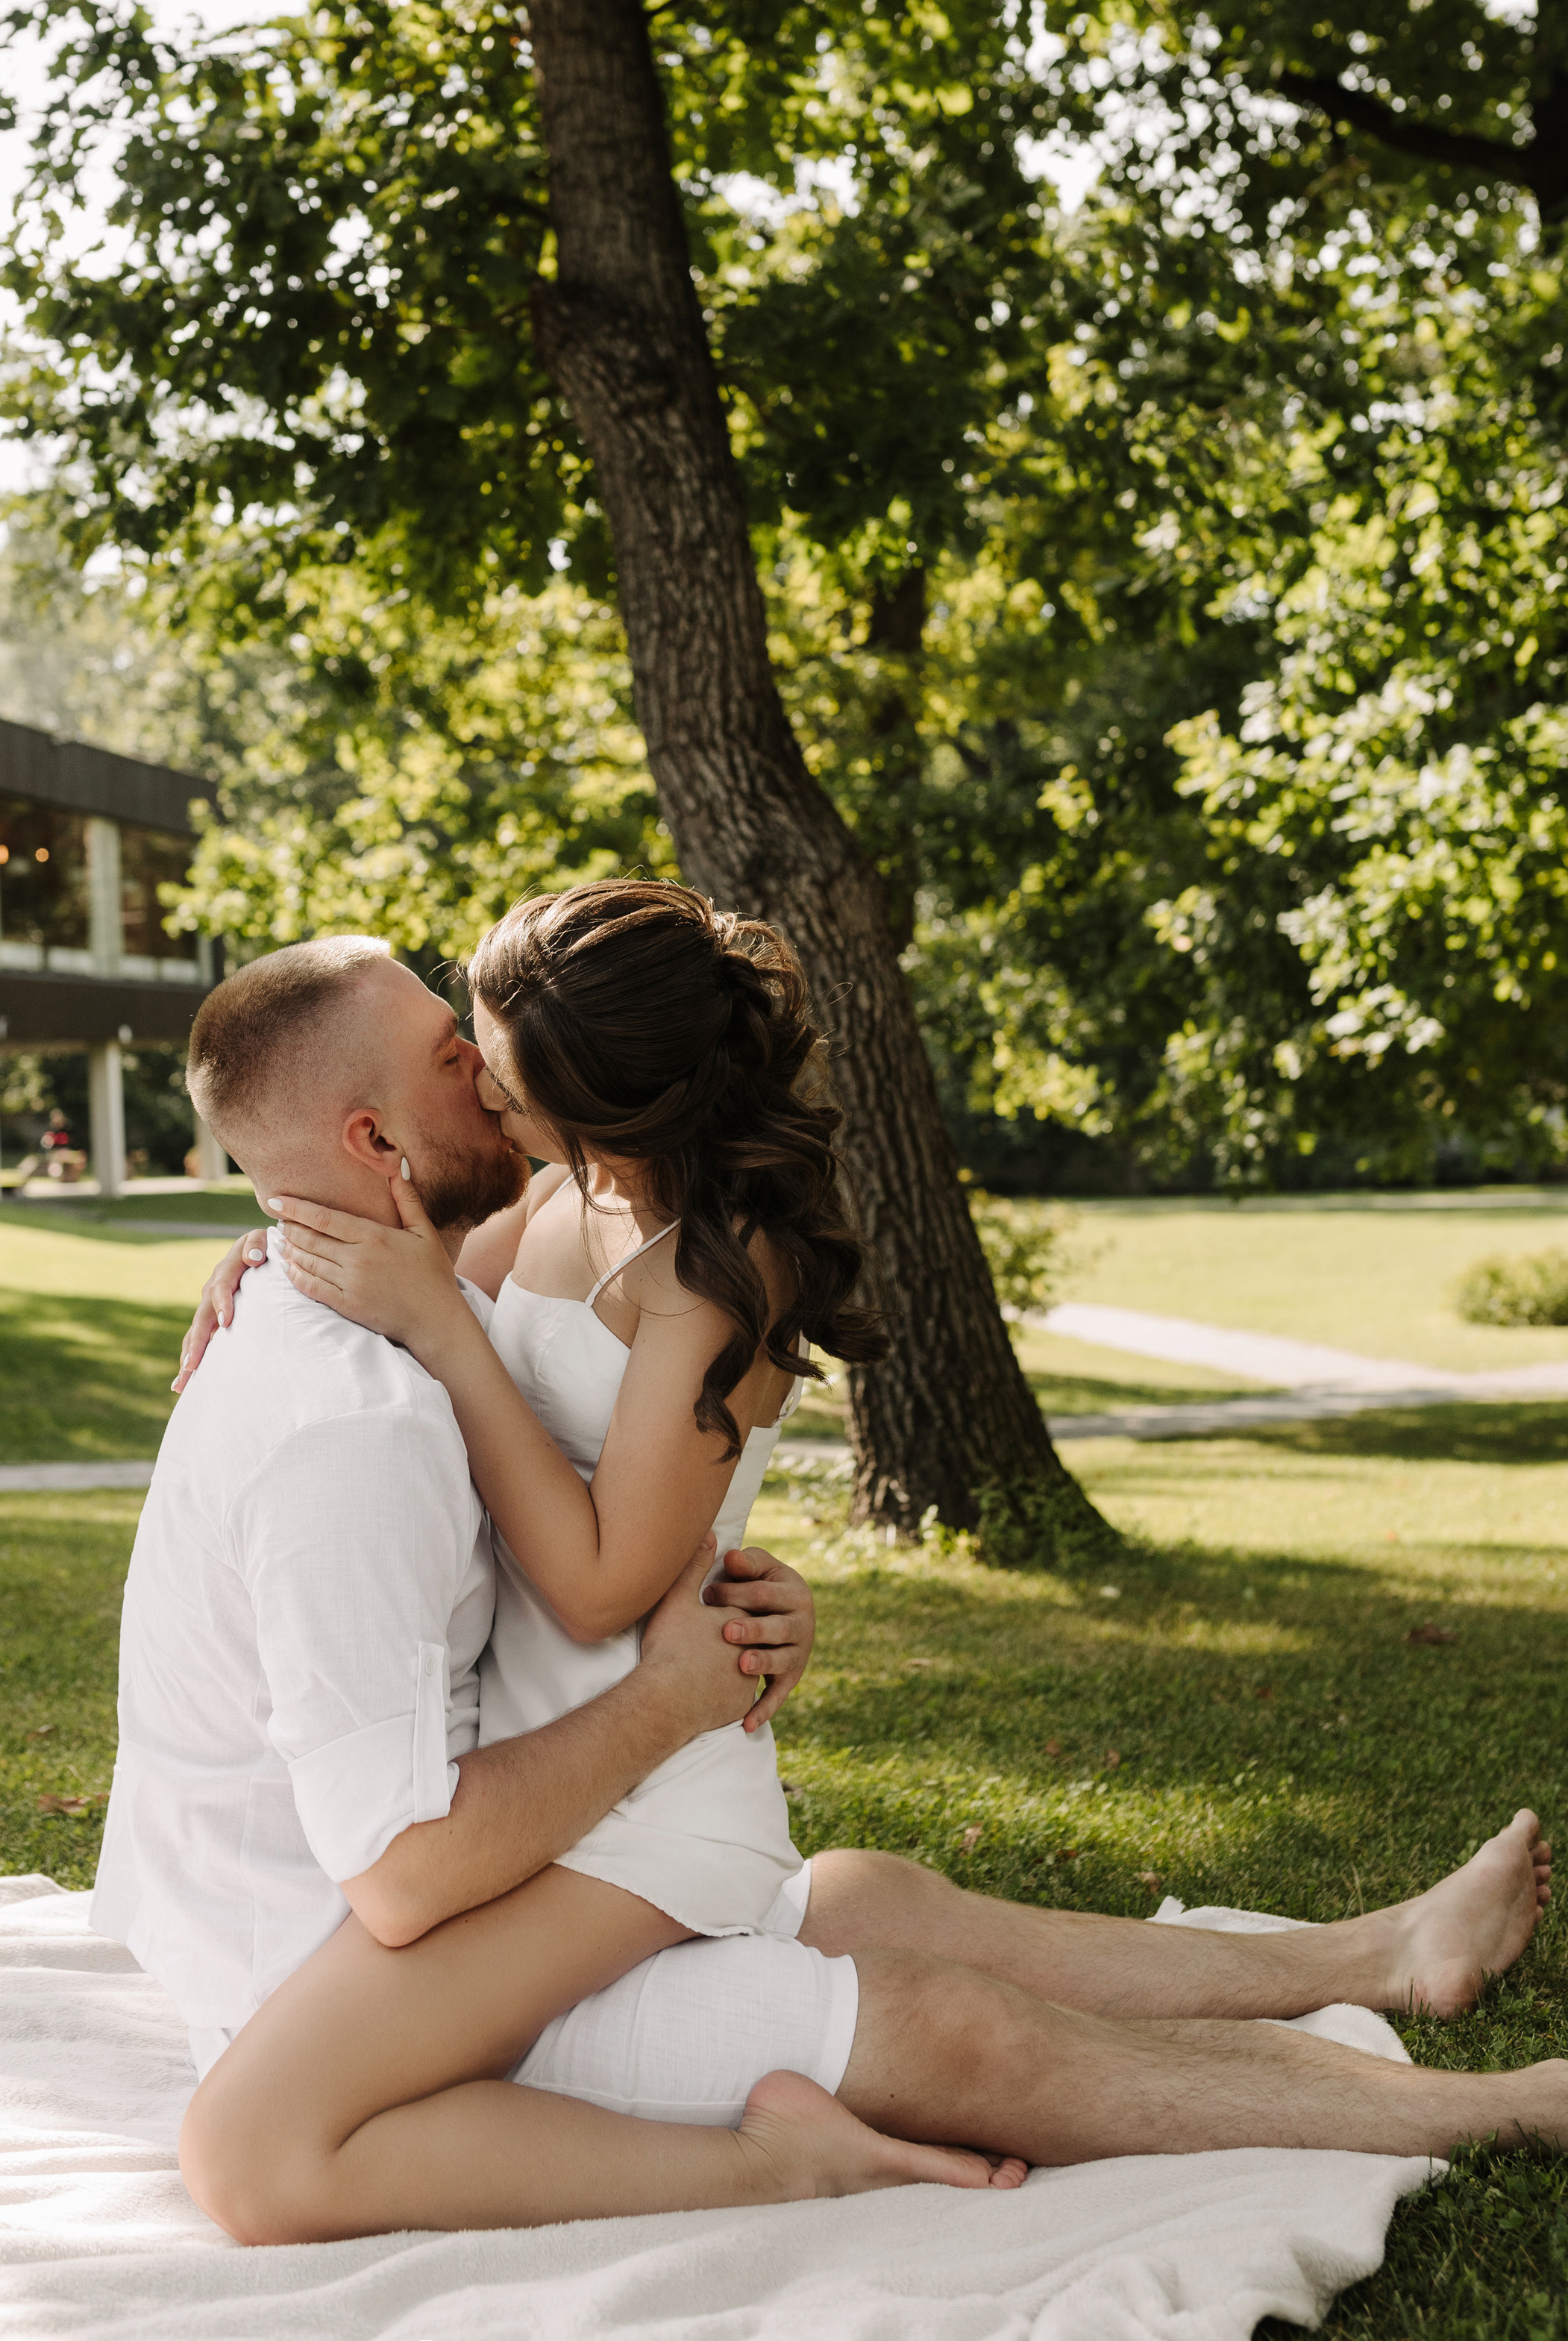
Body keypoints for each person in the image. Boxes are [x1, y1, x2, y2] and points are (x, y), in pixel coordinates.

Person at [104, 909, 1558, 2251]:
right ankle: (1371, 1950)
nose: (478, 1096)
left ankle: (1482, 2100)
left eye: (489, 1073)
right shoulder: (535, 1208)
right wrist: (276, 1239)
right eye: (463, 1067)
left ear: (597, 1105)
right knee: (868, 1901)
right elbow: (396, 1238)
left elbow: (597, 1569)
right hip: (575, 1761)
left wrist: (438, 1320)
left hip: (633, 1797)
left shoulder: (715, 1271)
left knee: (928, 2003)